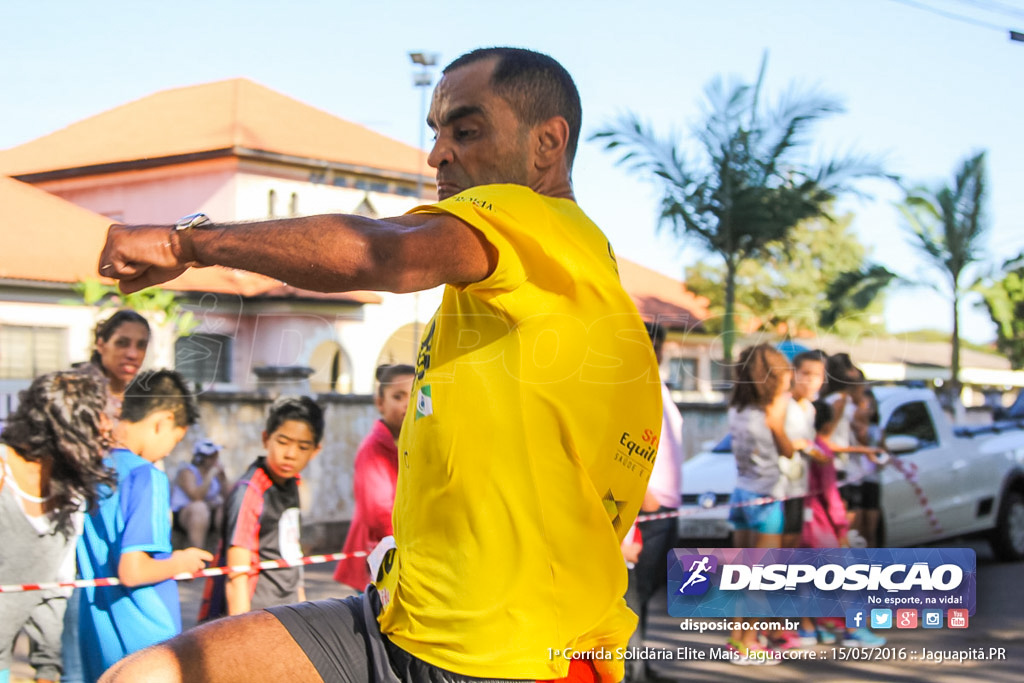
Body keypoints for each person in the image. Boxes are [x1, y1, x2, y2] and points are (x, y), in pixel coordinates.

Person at [97, 47, 661, 683]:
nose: (437, 153)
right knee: (147, 675)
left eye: (466, 131)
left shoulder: (536, 222)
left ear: (546, 144)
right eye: (436, 133)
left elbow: (382, 254)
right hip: (402, 619)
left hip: (507, 655)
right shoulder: (550, 278)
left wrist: (186, 242)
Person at [74, 370, 211, 682]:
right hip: (146, 639)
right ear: (162, 421)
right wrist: (182, 561)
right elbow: (133, 570)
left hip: (96, 632)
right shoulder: (146, 476)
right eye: (174, 440)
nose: (168, 452)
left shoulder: (89, 469)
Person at [0, 372, 115, 683]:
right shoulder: (3, 471)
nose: (108, 429)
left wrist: (48, 669)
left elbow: (55, 586)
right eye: (97, 420)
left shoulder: (70, 489)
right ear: (67, 427)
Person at [198, 397, 324, 619]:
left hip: (290, 612)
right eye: (283, 442)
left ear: (315, 450)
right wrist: (242, 634)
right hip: (257, 617)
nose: (291, 454)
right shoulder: (250, 492)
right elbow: (236, 577)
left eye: (303, 446)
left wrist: (302, 607)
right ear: (266, 439)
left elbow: (292, 554)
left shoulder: (292, 483)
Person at [725, 344, 795, 665]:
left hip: (740, 494)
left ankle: (736, 639)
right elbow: (788, 451)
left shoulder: (736, 410)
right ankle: (751, 643)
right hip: (766, 500)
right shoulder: (769, 413)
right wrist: (777, 424)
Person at [623, 322, 683, 682]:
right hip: (646, 510)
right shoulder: (632, 385)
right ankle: (630, 673)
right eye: (653, 344)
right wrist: (644, 495)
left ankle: (641, 668)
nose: (659, 352)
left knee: (646, 595)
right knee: (631, 597)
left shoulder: (654, 383)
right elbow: (623, 445)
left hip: (667, 508)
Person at [805, 401, 886, 648]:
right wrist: (841, 528)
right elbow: (831, 496)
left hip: (803, 523)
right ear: (830, 424)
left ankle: (814, 628)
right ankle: (854, 630)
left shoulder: (808, 448)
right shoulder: (823, 454)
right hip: (823, 525)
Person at [334, 364, 415, 592]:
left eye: (414, 395)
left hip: (405, 551)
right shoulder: (373, 449)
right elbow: (378, 513)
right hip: (380, 556)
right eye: (398, 397)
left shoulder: (413, 444)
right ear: (380, 403)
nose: (407, 404)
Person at [75, 310, 151, 414]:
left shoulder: (147, 398)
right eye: (122, 343)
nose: (133, 354)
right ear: (101, 345)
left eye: (141, 345)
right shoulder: (75, 393)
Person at [170, 439, 228, 550]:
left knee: (224, 508)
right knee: (199, 508)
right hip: (187, 515)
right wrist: (210, 476)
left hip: (210, 513)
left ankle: (222, 551)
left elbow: (227, 496)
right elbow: (197, 497)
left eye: (216, 456)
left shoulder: (216, 473)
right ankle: (198, 552)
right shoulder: (187, 472)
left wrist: (223, 479)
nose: (215, 459)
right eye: (211, 456)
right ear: (201, 458)